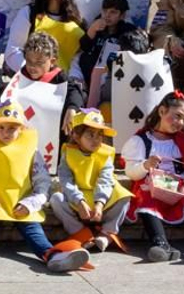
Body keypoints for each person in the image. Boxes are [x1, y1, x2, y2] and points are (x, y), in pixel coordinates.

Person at [0, 101, 84, 271]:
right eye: (1, 127)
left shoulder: (32, 151)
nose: (5, 133)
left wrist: (30, 204)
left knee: (35, 232)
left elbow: (43, 183)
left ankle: (53, 256)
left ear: (22, 129)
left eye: (12, 128)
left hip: (23, 204)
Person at [121, 91, 184, 262]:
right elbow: (130, 171)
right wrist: (145, 165)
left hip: (176, 184)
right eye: (177, 116)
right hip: (151, 184)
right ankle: (160, 243)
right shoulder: (141, 140)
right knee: (147, 200)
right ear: (162, 111)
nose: (181, 123)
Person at [48, 110, 131, 257]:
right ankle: (79, 232)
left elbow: (105, 179)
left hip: (100, 197)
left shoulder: (105, 154)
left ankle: (107, 233)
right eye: (90, 134)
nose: (96, 139)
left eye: (100, 135)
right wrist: (79, 201)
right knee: (56, 199)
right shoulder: (68, 153)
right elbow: (66, 180)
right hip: (78, 198)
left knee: (124, 197)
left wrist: (99, 203)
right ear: (76, 136)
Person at [6, 0, 86, 69]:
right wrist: (32, 72)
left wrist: (75, 77)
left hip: (65, 81)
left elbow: (78, 55)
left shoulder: (76, 17)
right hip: (34, 81)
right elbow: (13, 50)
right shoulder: (29, 13)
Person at [77, 0, 150, 107]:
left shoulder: (128, 31)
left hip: (115, 80)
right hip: (91, 77)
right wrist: (92, 30)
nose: (107, 15)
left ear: (122, 15)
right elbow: (84, 47)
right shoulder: (96, 26)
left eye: (113, 12)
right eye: (105, 11)